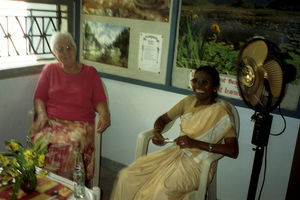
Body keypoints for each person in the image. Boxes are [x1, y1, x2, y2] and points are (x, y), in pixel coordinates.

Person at [110, 66, 238, 200]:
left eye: (205, 82)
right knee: (127, 176)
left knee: (161, 190)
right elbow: (162, 119)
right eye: (195, 80)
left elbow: (233, 150)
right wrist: (157, 133)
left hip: (198, 163)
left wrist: (195, 143)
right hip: (174, 153)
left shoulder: (221, 112)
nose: (198, 85)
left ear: (215, 87)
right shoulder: (188, 101)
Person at [29, 31, 110, 181]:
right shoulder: (49, 70)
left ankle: (67, 188)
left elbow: (100, 100)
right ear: (54, 53)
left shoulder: (90, 73)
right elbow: (39, 97)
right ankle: (45, 184)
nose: (66, 52)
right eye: (60, 49)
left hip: (81, 125)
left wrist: (105, 114)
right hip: (52, 121)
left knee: (70, 144)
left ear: (75, 48)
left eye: (69, 47)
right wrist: (41, 114)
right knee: (41, 139)